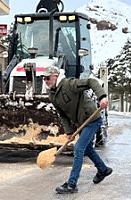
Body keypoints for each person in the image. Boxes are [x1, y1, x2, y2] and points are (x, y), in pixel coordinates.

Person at [42, 66, 112, 194]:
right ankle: (103, 169)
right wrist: (69, 132)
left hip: (92, 119)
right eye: (44, 78)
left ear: (55, 76)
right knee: (87, 148)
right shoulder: (52, 95)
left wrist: (102, 97)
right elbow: (62, 115)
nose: (46, 81)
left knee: (79, 148)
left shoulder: (70, 84)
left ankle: (71, 184)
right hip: (80, 122)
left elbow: (92, 82)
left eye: (47, 78)